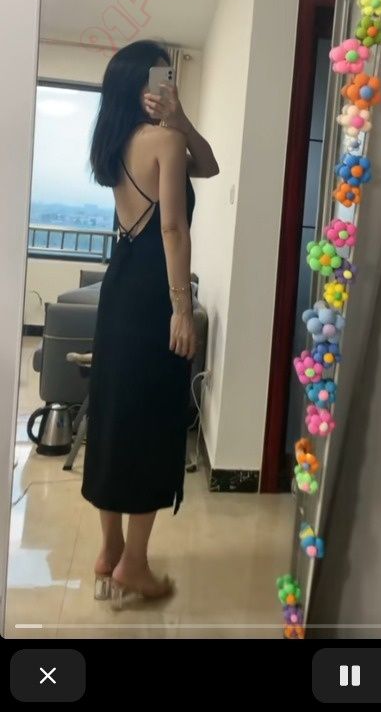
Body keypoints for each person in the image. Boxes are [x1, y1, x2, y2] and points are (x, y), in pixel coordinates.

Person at [81, 40, 219, 609]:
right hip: (153, 295)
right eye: (161, 73)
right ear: (142, 83)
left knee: (115, 415)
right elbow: (173, 230)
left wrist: (181, 118)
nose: (168, 81)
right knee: (152, 419)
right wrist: (181, 308)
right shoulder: (163, 143)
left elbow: (207, 164)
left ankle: (109, 552)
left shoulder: (119, 141)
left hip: (119, 289)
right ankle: (134, 566)